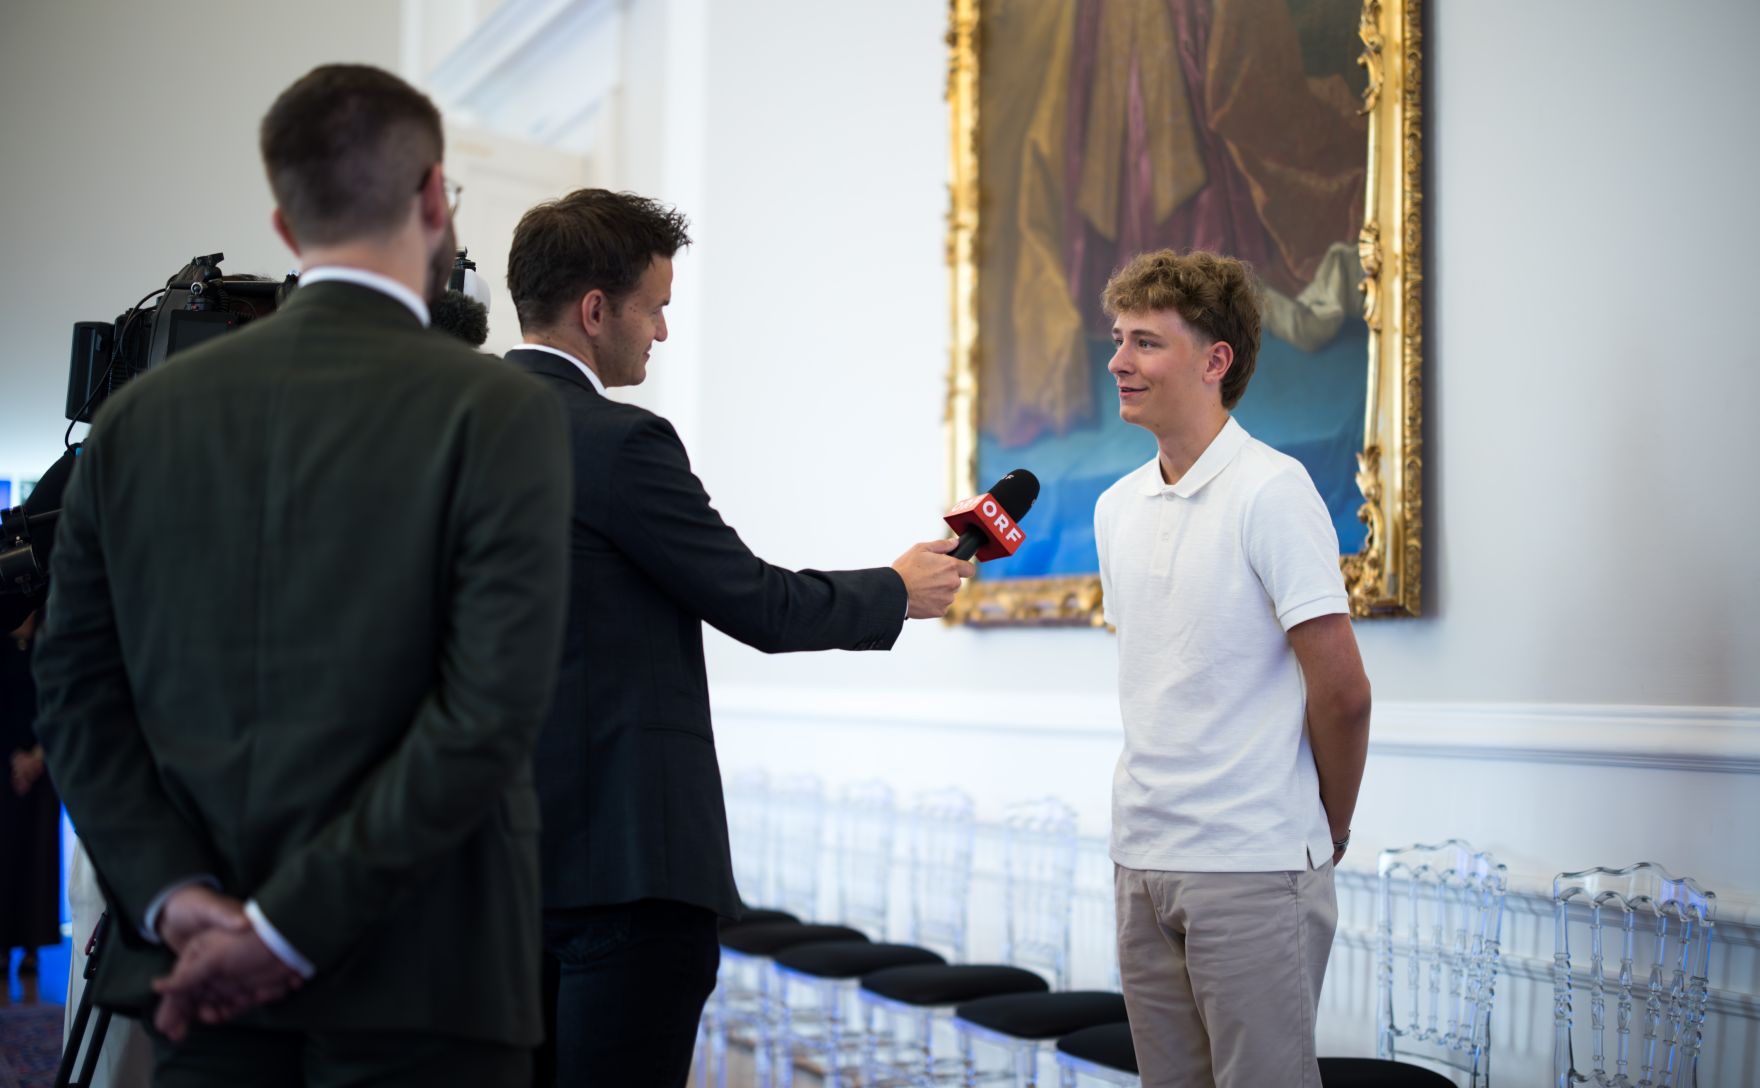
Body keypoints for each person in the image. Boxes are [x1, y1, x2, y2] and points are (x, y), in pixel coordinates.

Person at [31, 63, 572, 1086]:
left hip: (199, 976)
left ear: (285, 225)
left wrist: (174, 898)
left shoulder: (138, 419)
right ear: (433, 197)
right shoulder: (497, 410)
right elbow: (487, 711)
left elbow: (73, 690)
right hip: (426, 976)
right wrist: (284, 931)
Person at [501, 188, 974, 1087]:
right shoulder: (617, 443)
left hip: (496, 866)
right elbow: (754, 602)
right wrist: (895, 590)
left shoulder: (452, 431)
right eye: (654, 307)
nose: (662, 332)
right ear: (595, 311)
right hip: (627, 868)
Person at [1093, 249, 1372, 1087]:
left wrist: (1328, 829)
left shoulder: (1272, 491)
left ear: (1216, 361)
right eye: (1118, 339)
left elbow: (1344, 693)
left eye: (1145, 342)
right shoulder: (1114, 507)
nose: (1118, 361)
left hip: (1253, 862)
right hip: (1141, 856)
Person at [2, 610, 60, 1007]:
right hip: (4, 767)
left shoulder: (52, 642)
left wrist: (37, 757)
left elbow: (59, 702)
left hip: (44, 767)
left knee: (38, 857)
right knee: (4, 856)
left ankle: (32, 949)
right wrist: (14, 758)